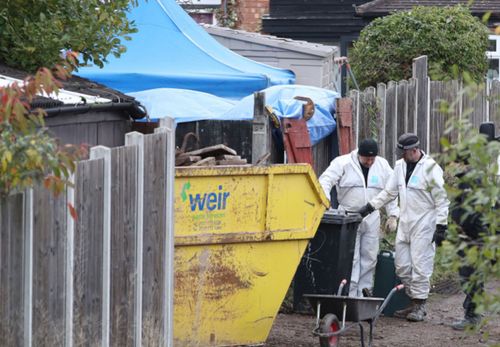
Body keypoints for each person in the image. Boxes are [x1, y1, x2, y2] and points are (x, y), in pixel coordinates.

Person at [358, 133, 450, 322]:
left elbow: (442, 199)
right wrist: (370, 206)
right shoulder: (400, 166)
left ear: (414, 150)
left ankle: (419, 305)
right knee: (401, 267)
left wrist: (441, 226)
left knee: (420, 265)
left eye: (404, 152)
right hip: (406, 222)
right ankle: (413, 300)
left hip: (424, 223)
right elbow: (389, 192)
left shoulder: (431, 168)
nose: (401, 155)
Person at [319, 138, 399, 297]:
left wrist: (393, 215)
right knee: (351, 258)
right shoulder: (342, 163)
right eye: (366, 159)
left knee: (369, 257)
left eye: (372, 159)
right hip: (349, 216)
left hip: (372, 217)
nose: (369, 162)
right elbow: (325, 181)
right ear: (358, 155)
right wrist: (325, 203)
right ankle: (350, 295)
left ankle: (363, 296)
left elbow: (391, 190)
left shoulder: (382, 165)